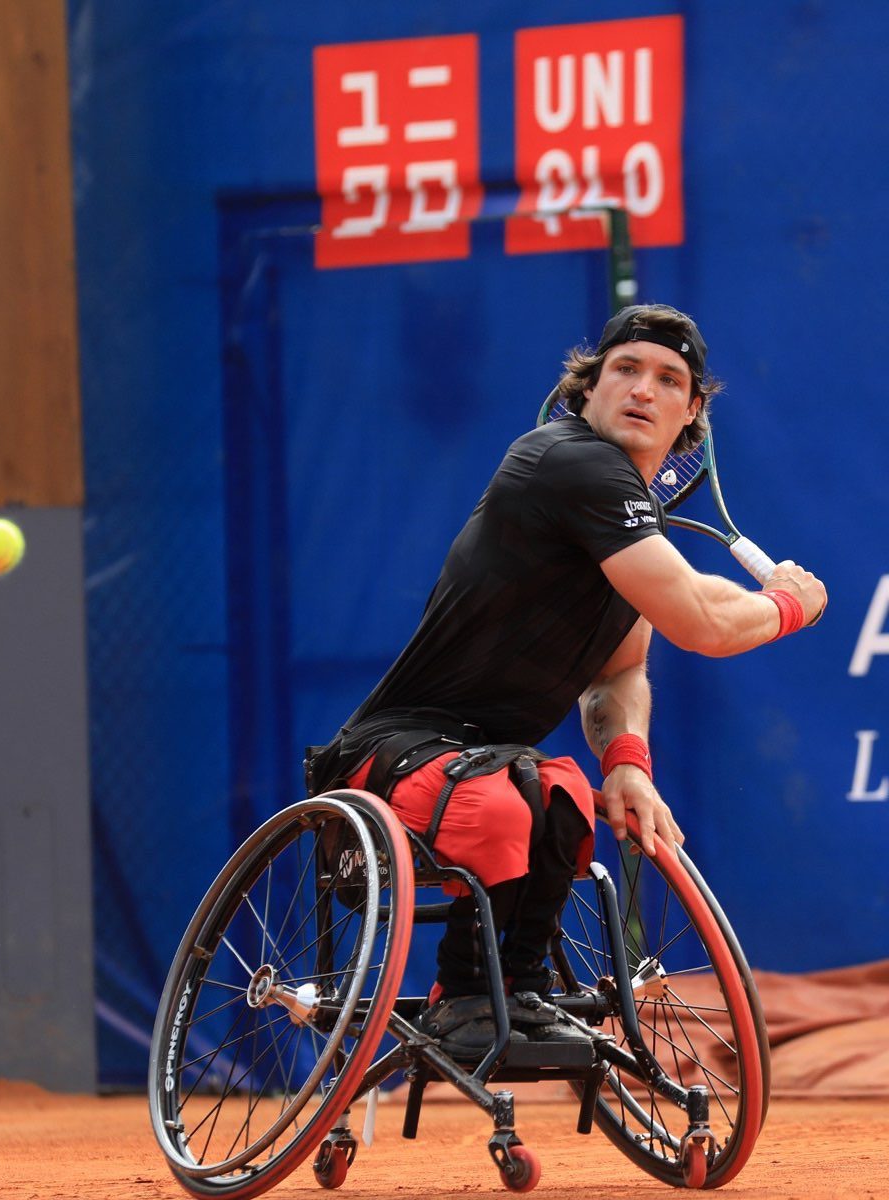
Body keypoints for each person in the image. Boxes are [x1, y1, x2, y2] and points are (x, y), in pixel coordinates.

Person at [306, 303, 827, 1060]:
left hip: (489, 764)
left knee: (563, 799)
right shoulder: (567, 459)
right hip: (388, 756)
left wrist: (626, 765)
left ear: (691, 418)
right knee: (510, 796)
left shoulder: (631, 523)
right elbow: (702, 622)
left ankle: (512, 991)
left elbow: (618, 672)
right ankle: (465, 997)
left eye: (668, 379)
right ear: (587, 392)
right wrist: (788, 605)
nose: (643, 388)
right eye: (625, 369)